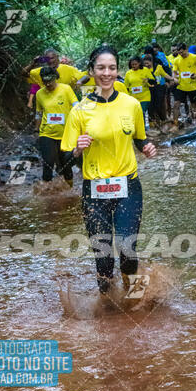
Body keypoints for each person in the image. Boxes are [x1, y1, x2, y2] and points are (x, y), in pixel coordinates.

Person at [61, 45, 157, 296]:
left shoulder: (131, 105)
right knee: (103, 255)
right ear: (91, 71)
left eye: (112, 68)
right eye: (101, 68)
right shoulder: (79, 110)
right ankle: (106, 304)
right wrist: (77, 150)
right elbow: (65, 156)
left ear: (118, 71)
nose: (106, 73)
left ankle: (135, 299)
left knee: (127, 247)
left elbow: (139, 138)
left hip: (128, 186)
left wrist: (146, 147)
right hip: (94, 190)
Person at [35, 66, 78, 186]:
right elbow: (38, 113)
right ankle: (46, 194)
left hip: (66, 133)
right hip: (47, 133)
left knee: (66, 165)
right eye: (45, 81)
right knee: (48, 162)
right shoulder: (39, 94)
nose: (48, 84)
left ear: (55, 78)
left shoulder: (66, 89)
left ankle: (70, 189)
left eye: (50, 80)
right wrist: (36, 129)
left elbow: (76, 106)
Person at [171, 42, 196, 128]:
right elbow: (174, 72)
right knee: (176, 104)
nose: (181, 54)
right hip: (181, 86)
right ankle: (175, 124)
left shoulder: (194, 57)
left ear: (186, 49)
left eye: (182, 52)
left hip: (192, 86)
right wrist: (174, 78)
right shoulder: (177, 60)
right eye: (179, 53)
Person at [142, 54, 174, 124]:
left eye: (147, 63)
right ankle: (153, 125)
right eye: (144, 64)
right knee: (150, 107)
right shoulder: (143, 70)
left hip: (159, 88)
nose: (146, 65)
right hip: (149, 89)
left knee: (159, 105)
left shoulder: (158, 67)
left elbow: (164, 74)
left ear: (151, 61)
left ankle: (163, 120)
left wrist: (172, 79)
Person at [124, 56, 151, 130]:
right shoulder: (128, 73)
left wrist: (148, 80)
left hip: (145, 96)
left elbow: (153, 80)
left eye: (135, 64)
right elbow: (126, 86)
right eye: (132, 64)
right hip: (133, 97)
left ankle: (143, 129)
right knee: (135, 113)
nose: (134, 66)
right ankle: (137, 129)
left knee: (141, 111)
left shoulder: (145, 70)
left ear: (139, 63)